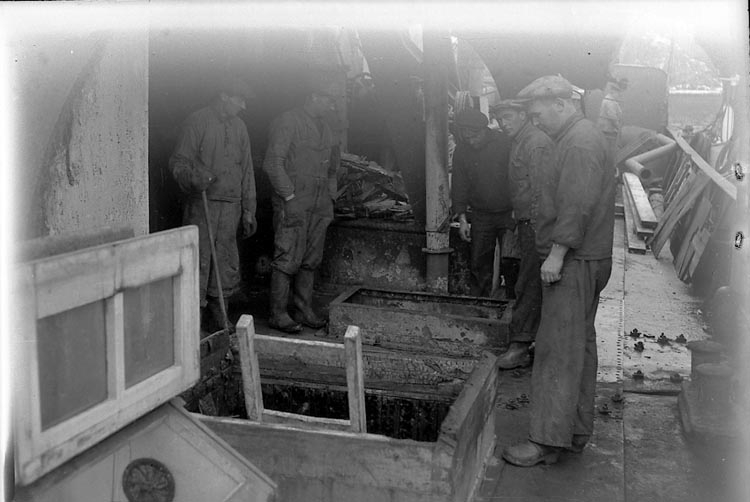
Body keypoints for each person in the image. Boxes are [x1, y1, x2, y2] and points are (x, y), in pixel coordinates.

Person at [502, 75, 615, 466]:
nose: (535, 122)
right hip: (587, 258)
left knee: (556, 351)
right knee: (578, 346)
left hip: (574, 261)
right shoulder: (576, 137)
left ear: (562, 105)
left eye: (538, 115)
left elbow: (576, 205)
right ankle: (575, 432)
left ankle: (547, 441)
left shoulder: (579, 142)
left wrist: (556, 254)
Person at [169, 77, 257, 333]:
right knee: (199, 260)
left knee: (225, 262)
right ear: (223, 96)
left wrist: (249, 210)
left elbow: (247, 170)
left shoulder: (240, 127)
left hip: (231, 207)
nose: (243, 106)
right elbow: (178, 161)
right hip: (202, 204)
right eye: (239, 100)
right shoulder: (197, 121)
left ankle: (220, 318)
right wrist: (192, 177)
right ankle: (193, 322)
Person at [262, 75, 341, 333]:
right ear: (313, 97)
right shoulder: (288, 122)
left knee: (311, 260)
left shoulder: (326, 128)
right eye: (328, 100)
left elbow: (333, 168)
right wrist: (289, 197)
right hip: (294, 203)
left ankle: (303, 309)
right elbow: (273, 164)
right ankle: (278, 314)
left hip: (319, 205)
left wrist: (330, 197)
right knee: (287, 258)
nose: (331, 106)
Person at [492, 99, 555, 370]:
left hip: (536, 224)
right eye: (500, 119)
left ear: (523, 115)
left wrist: (538, 229)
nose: (503, 123)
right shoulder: (520, 141)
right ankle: (535, 342)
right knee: (529, 282)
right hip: (526, 222)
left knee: (528, 283)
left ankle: (519, 347)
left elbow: (542, 191)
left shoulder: (535, 143)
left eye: (508, 117)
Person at [450, 107, 513, 298]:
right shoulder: (462, 150)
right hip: (481, 216)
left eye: (474, 136)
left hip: (508, 214)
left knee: (511, 261)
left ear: (485, 130)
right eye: (467, 137)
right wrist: (462, 219)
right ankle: (480, 303)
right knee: (478, 263)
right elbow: (459, 185)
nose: (471, 141)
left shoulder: (505, 143)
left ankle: (511, 303)